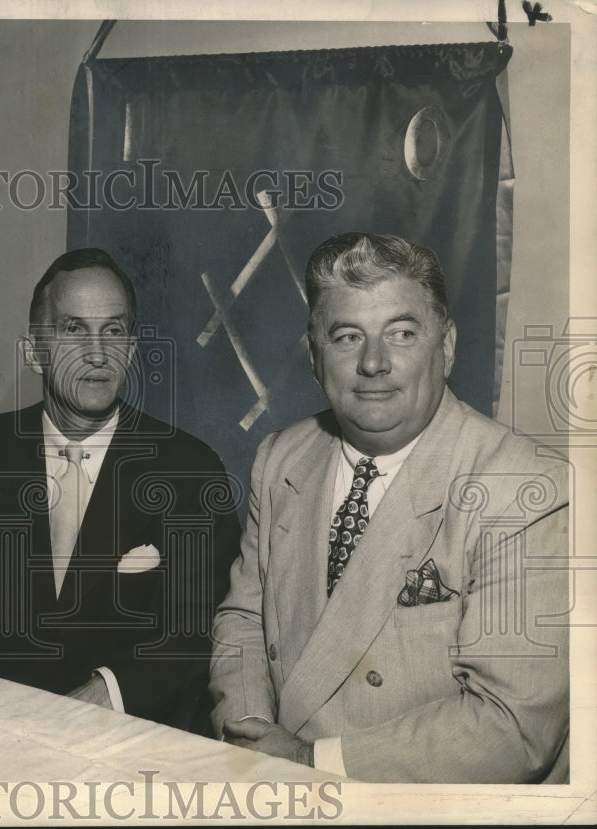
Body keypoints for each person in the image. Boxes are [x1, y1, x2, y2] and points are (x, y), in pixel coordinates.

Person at [209, 232, 569, 783]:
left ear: (445, 345)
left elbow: (511, 727)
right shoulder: (281, 458)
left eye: (401, 333)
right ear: (314, 356)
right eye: (348, 336)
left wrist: (310, 763)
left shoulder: (524, 485)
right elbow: (244, 622)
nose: (374, 363)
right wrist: (252, 734)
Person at [0, 248, 241, 729]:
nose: (97, 353)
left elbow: (198, 632)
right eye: (74, 329)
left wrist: (105, 696)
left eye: (113, 331)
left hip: (129, 750)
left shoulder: (190, 472)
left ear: (131, 350)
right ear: (35, 351)